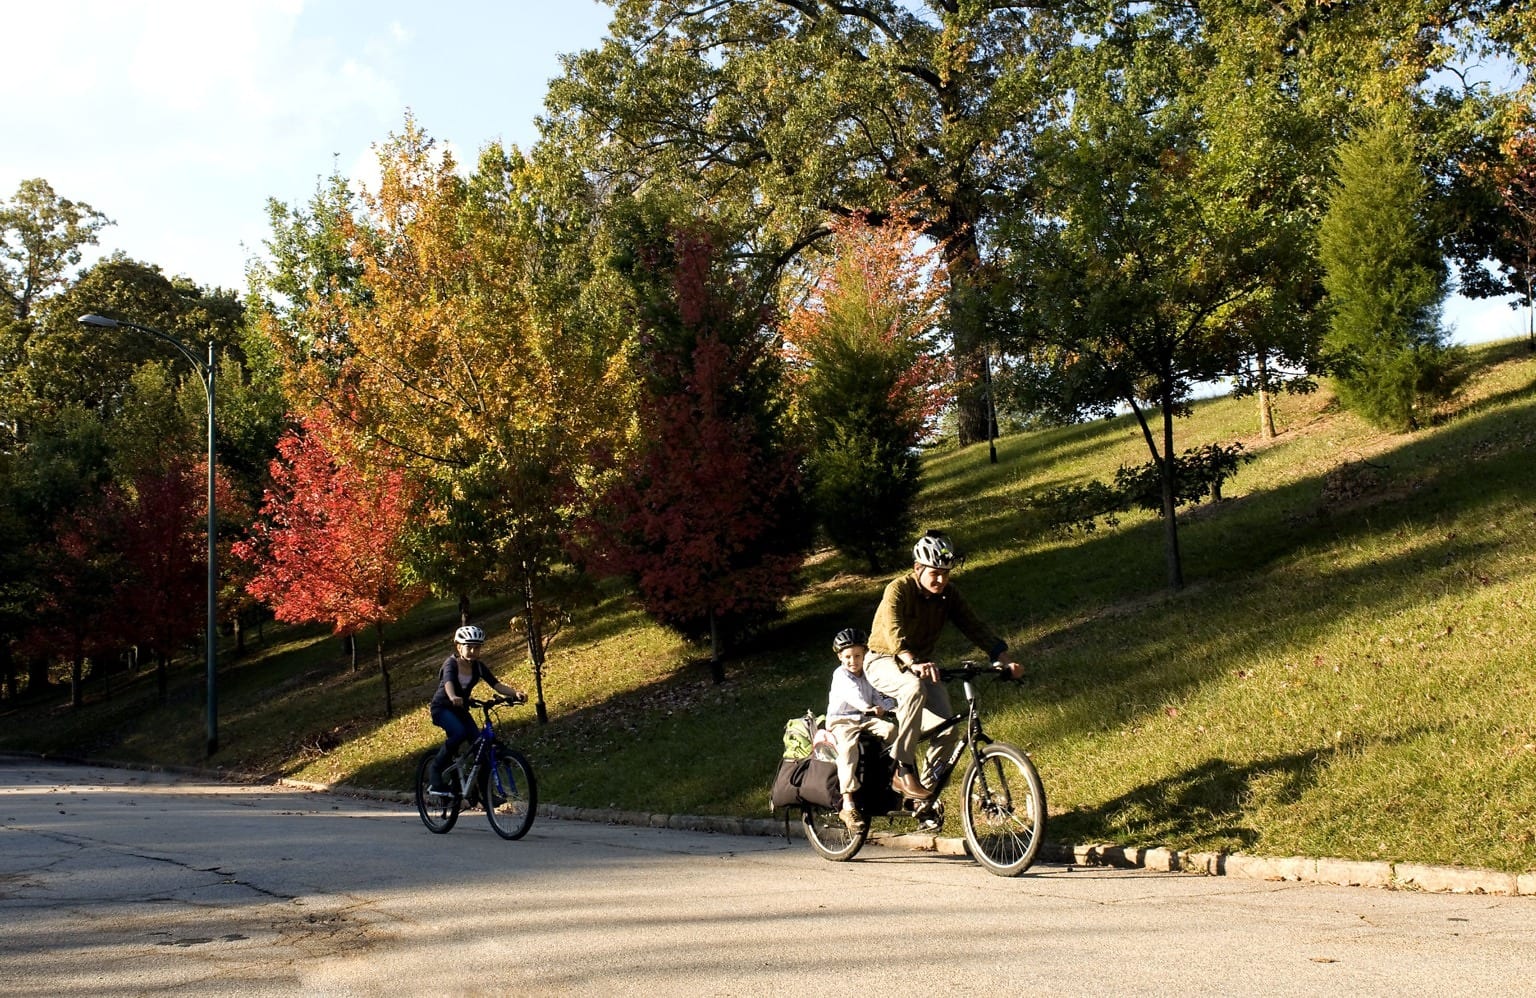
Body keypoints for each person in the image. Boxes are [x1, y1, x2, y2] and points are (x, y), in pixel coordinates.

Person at [864, 531, 1022, 800]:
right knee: (912, 688)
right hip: (883, 660)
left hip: (921, 665)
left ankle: (924, 797)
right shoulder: (899, 589)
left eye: (946, 574)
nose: (941, 580)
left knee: (949, 730)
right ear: (918, 568)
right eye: (935, 573)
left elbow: (974, 627)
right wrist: (910, 661)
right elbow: (893, 630)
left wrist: (1005, 660)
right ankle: (901, 769)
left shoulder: (948, 595)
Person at [427, 624, 526, 793]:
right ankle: (435, 768)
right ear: (459, 647)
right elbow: (449, 682)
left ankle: (485, 793)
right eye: (469, 647)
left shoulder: (478, 666)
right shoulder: (451, 664)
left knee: (482, 748)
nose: (473, 651)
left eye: (477, 647)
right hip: (442, 707)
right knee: (459, 733)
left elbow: (496, 684)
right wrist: (453, 697)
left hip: (460, 709)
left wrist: (515, 693)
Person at [824, 627, 897, 833]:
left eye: (857, 655)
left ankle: (896, 780)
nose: (853, 661)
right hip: (842, 721)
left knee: (892, 732)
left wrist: (893, 707)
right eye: (847, 656)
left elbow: (879, 694)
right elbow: (852, 695)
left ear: (865, 654)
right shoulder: (840, 675)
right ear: (840, 657)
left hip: (866, 718)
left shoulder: (868, 673)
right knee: (847, 749)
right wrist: (868, 708)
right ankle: (848, 804)